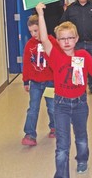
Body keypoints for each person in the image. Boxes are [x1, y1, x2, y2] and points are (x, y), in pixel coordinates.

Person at [35, 2, 92, 178]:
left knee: (81, 138)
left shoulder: (83, 55)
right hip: (60, 104)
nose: (66, 42)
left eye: (70, 38)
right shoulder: (55, 56)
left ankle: (82, 159)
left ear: (76, 39)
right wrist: (40, 14)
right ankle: (61, 174)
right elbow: (44, 38)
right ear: (58, 41)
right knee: (62, 145)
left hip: (80, 104)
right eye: (62, 39)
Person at [21, 14, 58, 146]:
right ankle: (30, 134)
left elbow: (57, 60)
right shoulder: (29, 45)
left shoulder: (50, 41)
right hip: (35, 83)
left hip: (50, 82)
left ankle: (55, 128)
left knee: (52, 107)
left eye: (36, 31)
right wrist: (26, 81)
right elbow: (26, 63)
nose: (33, 34)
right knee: (33, 108)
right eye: (31, 31)